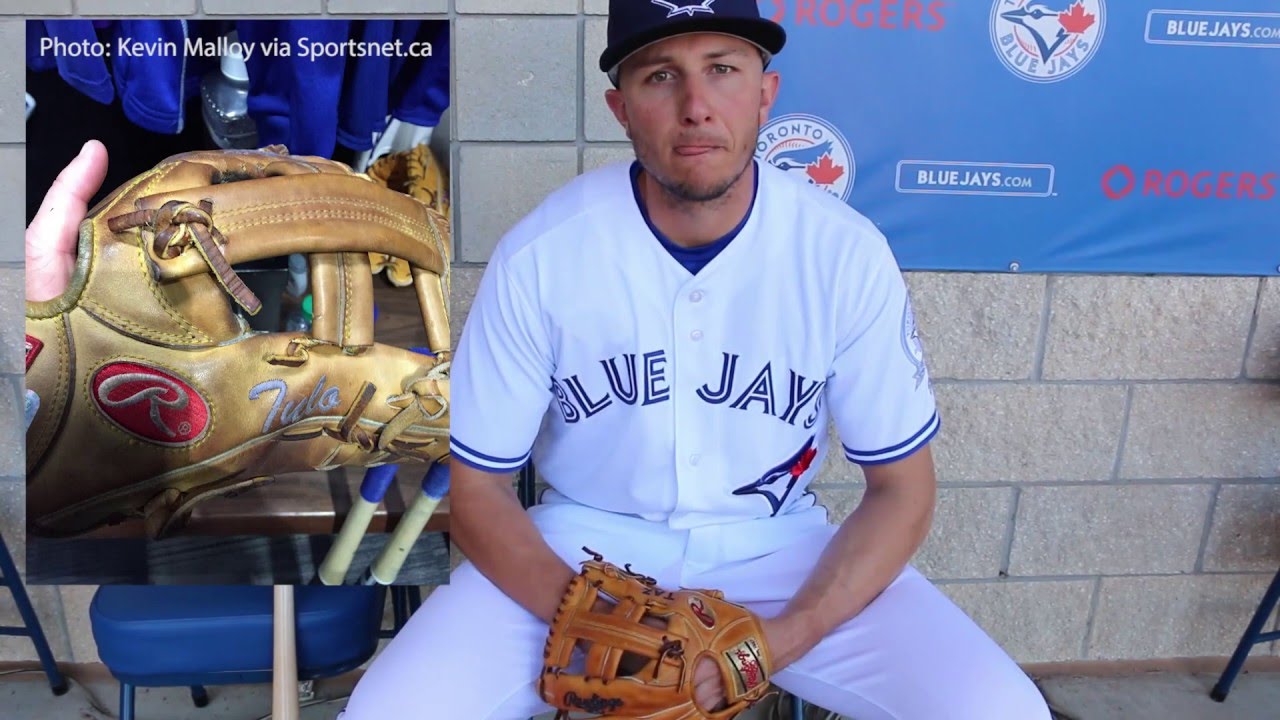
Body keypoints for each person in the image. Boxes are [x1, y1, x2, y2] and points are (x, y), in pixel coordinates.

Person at [341, 1, 1052, 717]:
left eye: (722, 69)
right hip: (582, 552)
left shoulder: (842, 250)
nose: (696, 106)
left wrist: (779, 640)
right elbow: (477, 489)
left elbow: (901, 490)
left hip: (782, 551)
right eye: (660, 76)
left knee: (999, 709)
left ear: (765, 93)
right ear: (621, 107)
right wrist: (596, 621)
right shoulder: (543, 252)